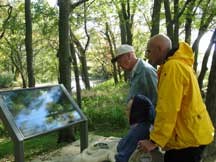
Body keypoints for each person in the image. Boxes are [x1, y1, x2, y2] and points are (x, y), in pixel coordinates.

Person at [138, 33, 215, 162]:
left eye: (149, 51)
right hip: (193, 133)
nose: (147, 56)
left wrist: (154, 140)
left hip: (188, 139)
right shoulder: (179, 64)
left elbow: (168, 108)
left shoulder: (172, 67)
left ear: (160, 49)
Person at [115, 94, 155, 162]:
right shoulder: (149, 125)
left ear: (136, 112)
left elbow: (122, 154)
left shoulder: (138, 131)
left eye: (128, 110)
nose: (126, 113)